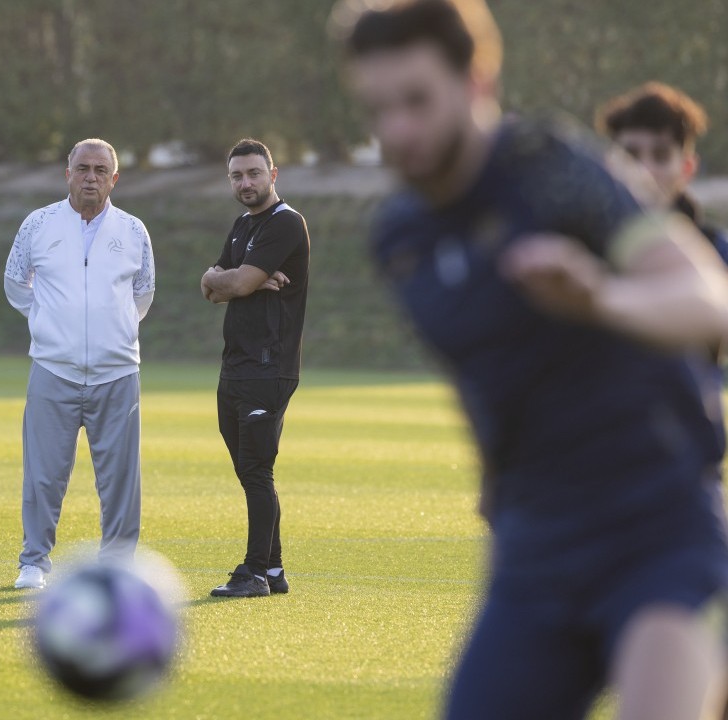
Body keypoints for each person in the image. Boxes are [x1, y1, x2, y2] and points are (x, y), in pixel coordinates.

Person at [333, 0, 728, 717]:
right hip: (535, 551)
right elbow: (484, 374)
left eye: (417, 101)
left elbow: (707, 299)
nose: (397, 131)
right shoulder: (401, 237)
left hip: (656, 528)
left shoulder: (552, 170)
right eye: (378, 109)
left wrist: (600, 297)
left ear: (477, 82)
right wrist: (496, 483)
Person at [3, 138, 156, 590]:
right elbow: (15, 283)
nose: (91, 177)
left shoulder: (133, 230)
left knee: (120, 481)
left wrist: (112, 332)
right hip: (53, 370)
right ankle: (34, 561)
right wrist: (50, 323)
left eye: (100, 170)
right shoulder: (38, 223)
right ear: (67, 173)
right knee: (43, 475)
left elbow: (143, 293)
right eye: (83, 168)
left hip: (117, 373)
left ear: (114, 178)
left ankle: (119, 567)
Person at [200, 138, 310, 598]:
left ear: (273, 175)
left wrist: (242, 280)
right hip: (235, 366)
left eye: (253, 174)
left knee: (256, 470)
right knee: (250, 472)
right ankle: (274, 569)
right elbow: (210, 286)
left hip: (268, 367)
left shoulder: (285, 223)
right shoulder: (243, 224)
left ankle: (254, 572)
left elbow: (236, 282)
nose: (245, 183)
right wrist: (236, 280)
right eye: (237, 176)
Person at [597, 82, 728, 263]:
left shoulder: (719, 256)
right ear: (608, 164)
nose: (644, 170)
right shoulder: (583, 253)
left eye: (661, 156)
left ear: (687, 168)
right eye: (631, 156)